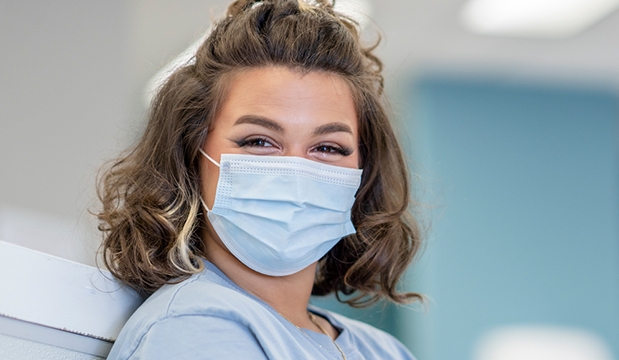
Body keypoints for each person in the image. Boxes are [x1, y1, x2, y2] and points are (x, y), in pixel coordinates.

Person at [97, 0, 422, 358]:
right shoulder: (194, 328)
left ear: (364, 172)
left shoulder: (383, 350)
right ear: (191, 157)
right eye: (259, 141)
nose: (297, 172)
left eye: (328, 148)